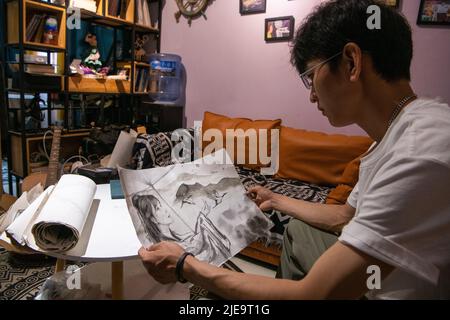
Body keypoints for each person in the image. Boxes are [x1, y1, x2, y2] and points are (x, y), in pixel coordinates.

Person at [138, 0, 450, 299]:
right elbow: (345, 214)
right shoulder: (396, 131)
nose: (312, 96)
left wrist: (185, 266)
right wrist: (275, 199)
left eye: (311, 77)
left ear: (351, 62)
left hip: (386, 292)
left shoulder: (419, 152)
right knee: (300, 229)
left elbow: (313, 293)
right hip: (380, 275)